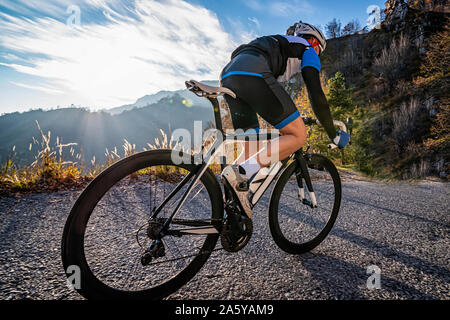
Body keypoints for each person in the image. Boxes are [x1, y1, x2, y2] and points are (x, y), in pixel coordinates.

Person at [220, 21, 350, 218]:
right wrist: (333, 133)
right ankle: (239, 175)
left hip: (230, 74)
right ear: (315, 42)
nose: (318, 56)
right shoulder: (307, 49)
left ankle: (232, 212)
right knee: (297, 134)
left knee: (252, 152)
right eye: (319, 52)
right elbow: (316, 93)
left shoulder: (277, 43)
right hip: (252, 73)